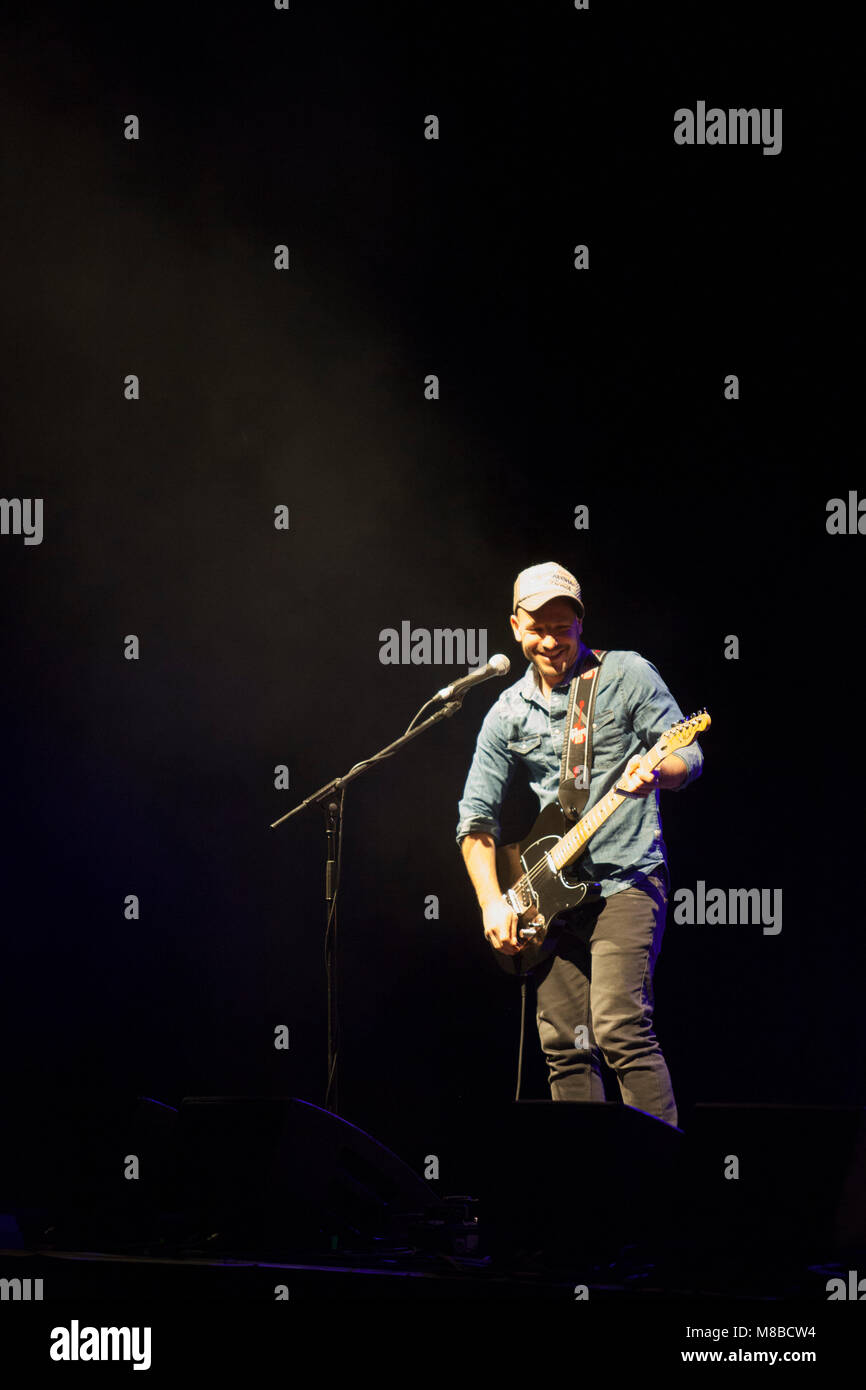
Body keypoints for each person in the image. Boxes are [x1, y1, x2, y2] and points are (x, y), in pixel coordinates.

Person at [456, 562, 704, 1127]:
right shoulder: (506, 712)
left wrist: (658, 770)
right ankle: (589, 1190)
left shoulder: (626, 675)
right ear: (514, 627)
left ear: (580, 623)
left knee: (619, 1025)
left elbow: (687, 755)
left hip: (625, 878)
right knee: (564, 1046)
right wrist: (493, 902)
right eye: (537, 628)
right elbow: (475, 820)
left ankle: (658, 1177)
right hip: (549, 896)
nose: (550, 641)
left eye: (562, 627)